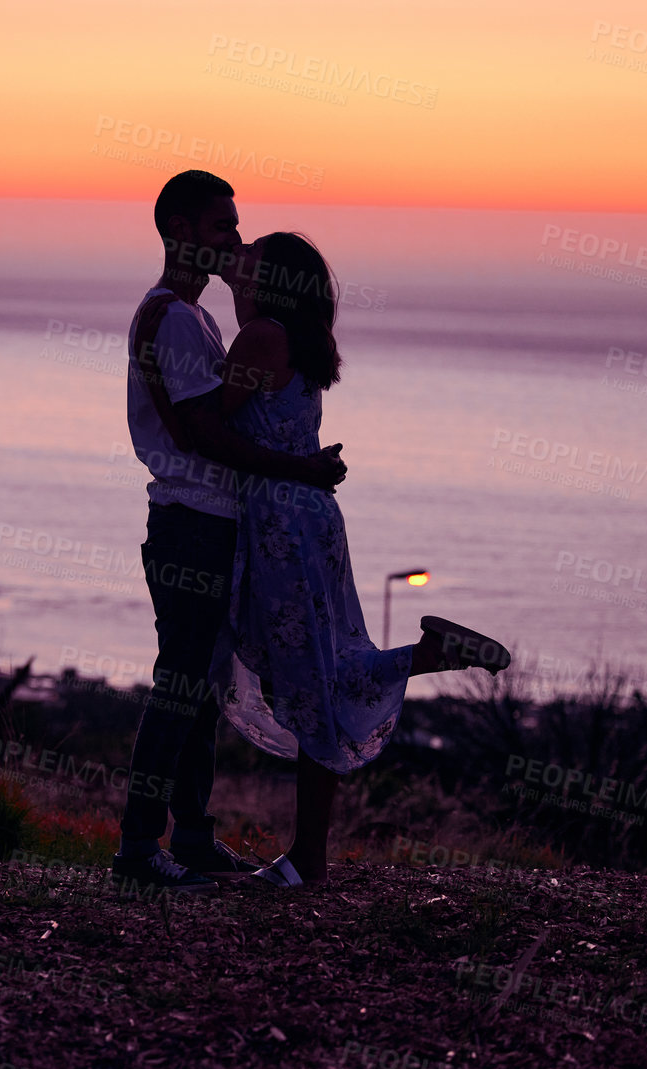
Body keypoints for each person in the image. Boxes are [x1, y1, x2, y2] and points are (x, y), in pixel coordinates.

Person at [211, 231, 512, 888]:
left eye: (251, 252)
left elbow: (205, 424)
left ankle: (300, 861)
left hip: (278, 526)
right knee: (318, 671)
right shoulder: (294, 338)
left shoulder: (260, 337)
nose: (240, 250)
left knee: (303, 683)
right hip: (309, 520)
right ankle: (428, 654)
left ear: (272, 281)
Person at [111, 172, 350, 895]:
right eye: (222, 227)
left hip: (210, 521)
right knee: (181, 684)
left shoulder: (201, 319)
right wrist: (297, 468)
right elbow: (199, 432)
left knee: (200, 684)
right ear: (179, 229)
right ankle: (137, 846)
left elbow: (214, 415)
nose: (236, 240)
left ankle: (189, 835)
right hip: (191, 520)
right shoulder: (177, 319)